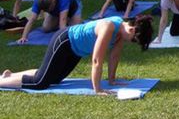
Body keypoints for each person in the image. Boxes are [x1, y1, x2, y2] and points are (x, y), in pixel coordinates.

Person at [0, 16, 153, 93]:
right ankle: (2, 82)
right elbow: (96, 60)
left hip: (75, 51)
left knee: (55, 78)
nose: (130, 42)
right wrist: (98, 89)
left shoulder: (121, 33)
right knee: (40, 82)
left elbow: (114, 57)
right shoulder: (109, 27)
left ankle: (9, 75)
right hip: (65, 41)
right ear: (132, 30)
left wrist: (112, 80)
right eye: (133, 40)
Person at [18, 0, 83, 44]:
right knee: (46, 28)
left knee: (74, 29)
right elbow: (31, 20)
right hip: (58, 6)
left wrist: (62, 38)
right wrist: (24, 37)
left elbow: (62, 22)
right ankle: (67, 19)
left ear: (53, 3)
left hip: (73, 4)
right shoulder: (39, 0)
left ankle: (73, 18)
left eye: (48, 10)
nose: (47, 11)